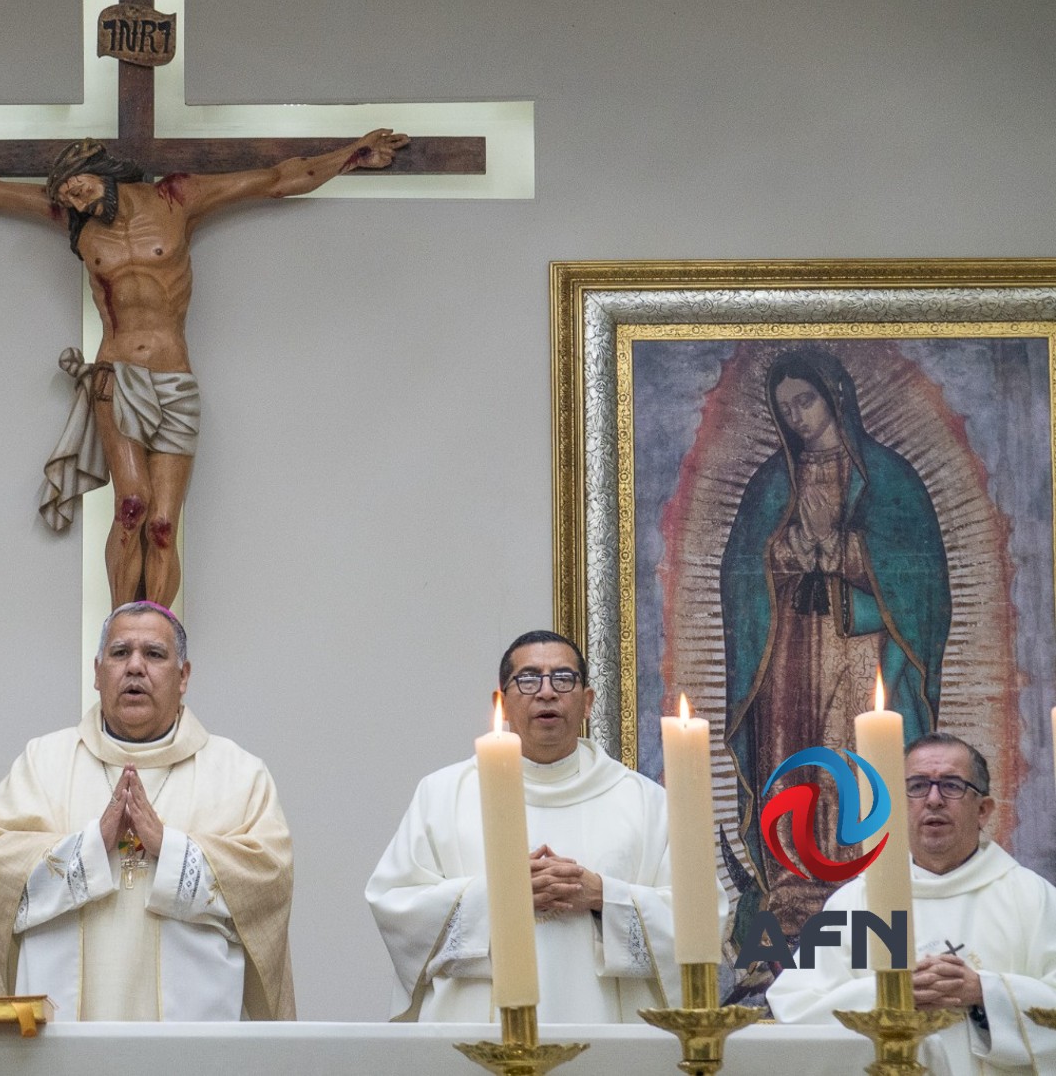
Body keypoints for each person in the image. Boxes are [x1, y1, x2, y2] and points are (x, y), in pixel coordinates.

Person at [0, 128, 408, 609]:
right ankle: (121, 632)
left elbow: (276, 178)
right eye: (64, 194)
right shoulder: (75, 224)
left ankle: (159, 634)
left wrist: (354, 154)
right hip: (116, 375)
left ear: (101, 170)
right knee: (130, 506)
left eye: (77, 185)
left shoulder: (176, 199)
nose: (71, 197)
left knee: (165, 526)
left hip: (175, 378)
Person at [366, 629, 728, 1022]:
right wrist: (502, 895)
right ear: (501, 702)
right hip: (476, 1038)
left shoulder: (645, 802)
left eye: (563, 678)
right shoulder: (442, 795)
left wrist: (603, 896)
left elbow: (704, 921)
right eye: (528, 678)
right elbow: (396, 908)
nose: (546, 692)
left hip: (606, 1033)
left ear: (587, 701)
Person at [0, 601, 293, 1020]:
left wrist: (170, 850)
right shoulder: (43, 762)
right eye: (120, 653)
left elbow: (269, 879)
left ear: (184, 676)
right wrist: (90, 849)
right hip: (61, 1045)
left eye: (154, 654)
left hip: (192, 1050)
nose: (135, 667)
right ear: (98, 672)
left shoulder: (239, 774)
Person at [721, 347, 951, 940]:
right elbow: (742, 573)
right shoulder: (772, 484)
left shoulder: (889, 477)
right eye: (785, 408)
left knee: (851, 751)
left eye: (806, 401)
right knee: (791, 753)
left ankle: (862, 880)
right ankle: (794, 886)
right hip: (790, 651)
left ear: (835, 397)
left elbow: (921, 579)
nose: (797, 417)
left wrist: (851, 555)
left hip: (862, 650)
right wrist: (782, 555)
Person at [767, 733, 1056, 1074]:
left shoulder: (1034, 899)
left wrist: (984, 992)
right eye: (917, 786)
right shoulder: (853, 904)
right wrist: (889, 994)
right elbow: (793, 1005)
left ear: (983, 810)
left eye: (951, 785)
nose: (933, 800)